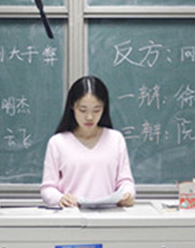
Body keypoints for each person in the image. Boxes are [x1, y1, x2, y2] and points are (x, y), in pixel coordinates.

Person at [41, 75, 136, 207]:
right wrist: (60, 198)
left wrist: (127, 194)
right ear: (72, 107)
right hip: (72, 215)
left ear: (104, 108)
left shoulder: (115, 139)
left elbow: (125, 181)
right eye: (83, 110)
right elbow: (48, 188)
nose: (90, 117)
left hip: (109, 216)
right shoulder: (58, 142)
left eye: (97, 110)